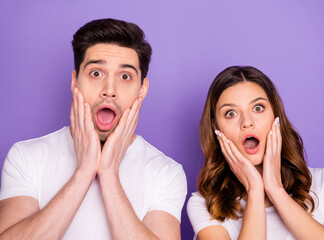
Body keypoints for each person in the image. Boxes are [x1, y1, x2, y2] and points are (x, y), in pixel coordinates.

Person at [0, 18, 187, 239]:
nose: (109, 90)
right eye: (96, 73)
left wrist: (109, 174)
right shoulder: (26, 156)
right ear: (75, 81)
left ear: (142, 89)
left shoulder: (166, 172)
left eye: (125, 76)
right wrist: (84, 172)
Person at [187, 66, 324, 240]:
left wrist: (275, 190)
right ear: (216, 128)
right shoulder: (204, 205)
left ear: (276, 116)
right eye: (231, 113)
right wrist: (254, 189)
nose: (247, 122)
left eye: (258, 108)